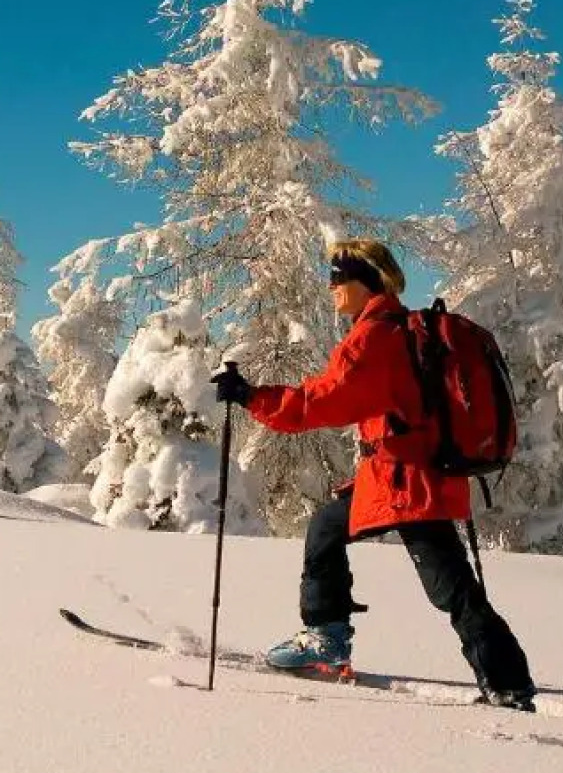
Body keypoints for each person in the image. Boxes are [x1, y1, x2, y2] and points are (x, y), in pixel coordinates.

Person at [212, 238, 537, 711]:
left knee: (451, 589)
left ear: (368, 281)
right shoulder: (398, 330)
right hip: (405, 476)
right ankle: (329, 637)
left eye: (338, 277)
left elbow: (319, 402)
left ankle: (507, 684)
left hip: (408, 483)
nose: (331, 287)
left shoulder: (375, 338)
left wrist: (249, 396)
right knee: (328, 527)